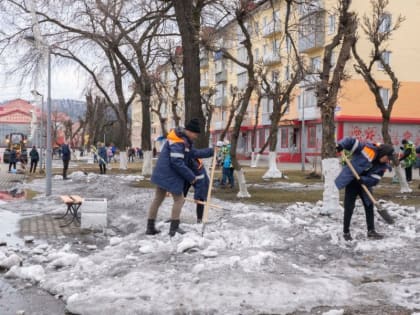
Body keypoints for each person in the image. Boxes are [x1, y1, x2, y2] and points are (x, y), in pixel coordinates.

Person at [146, 118, 213, 236]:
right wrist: (191, 177)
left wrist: (211, 151)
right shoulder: (178, 142)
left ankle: (150, 227)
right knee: (179, 199)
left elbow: (194, 153)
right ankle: (174, 228)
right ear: (190, 131)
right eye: (196, 134)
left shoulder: (183, 140)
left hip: (163, 173)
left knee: (158, 199)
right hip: (169, 174)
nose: (196, 137)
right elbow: (177, 162)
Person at [335, 137, 395, 241]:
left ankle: (371, 231)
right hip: (352, 180)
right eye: (387, 157)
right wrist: (341, 145)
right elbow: (351, 141)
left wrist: (364, 180)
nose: (387, 160)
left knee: (369, 205)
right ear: (383, 153)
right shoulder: (368, 149)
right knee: (349, 207)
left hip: (364, 185)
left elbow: (375, 180)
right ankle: (346, 232)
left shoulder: (383, 166)